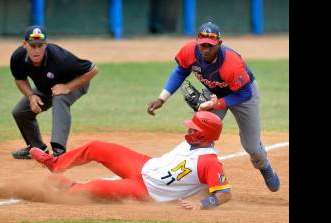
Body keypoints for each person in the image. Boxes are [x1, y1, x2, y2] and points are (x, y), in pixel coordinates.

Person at [146, 22, 280, 192]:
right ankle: (197, 180)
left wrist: (215, 104)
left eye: (210, 46)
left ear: (219, 44)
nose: (206, 50)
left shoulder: (231, 63)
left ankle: (264, 166)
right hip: (214, 92)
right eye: (202, 45)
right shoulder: (189, 51)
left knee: (252, 146)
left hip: (243, 95)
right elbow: (180, 71)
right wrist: (162, 98)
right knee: (200, 133)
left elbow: (244, 94)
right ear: (197, 42)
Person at [29, 111, 232, 210]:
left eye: (193, 129)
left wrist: (202, 204)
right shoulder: (195, 143)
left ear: (204, 136)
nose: (188, 130)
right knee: (96, 146)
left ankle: (70, 187)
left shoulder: (210, 162)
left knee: (88, 190)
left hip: (145, 190)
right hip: (143, 163)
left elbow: (224, 194)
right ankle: (55, 164)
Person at [9, 25, 98, 159]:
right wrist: (31, 95)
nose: (36, 50)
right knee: (20, 112)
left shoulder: (60, 58)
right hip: (45, 87)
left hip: (76, 83)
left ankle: (59, 152)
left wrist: (68, 87)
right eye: (33, 46)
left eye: (40, 45)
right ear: (24, 44)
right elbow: (20, 79)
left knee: (60, 97)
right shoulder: (18, 58)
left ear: (46, 45)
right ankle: (37, 148)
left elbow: (93, 69)